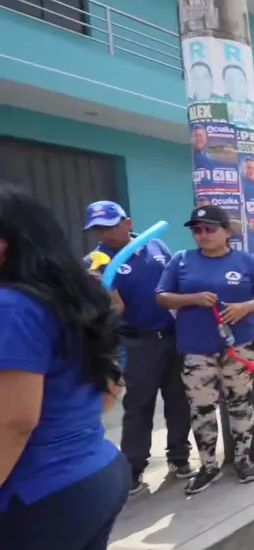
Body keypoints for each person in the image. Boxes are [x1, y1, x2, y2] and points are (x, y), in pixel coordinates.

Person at [0, 185, 131, 550]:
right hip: (92, 472)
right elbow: (110, 391)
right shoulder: (73, 298)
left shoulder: (11, 305)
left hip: (38, 490)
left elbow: (15, 421)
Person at [156, 205, 254, 495]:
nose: (203, 234)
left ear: (226, 231)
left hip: (239, 346)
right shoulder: (181, 260)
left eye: (210, 228)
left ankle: (243, 460)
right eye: (197, 230)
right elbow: (162, 297)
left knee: (240, 402)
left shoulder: (245, 261)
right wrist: (193, 298)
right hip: (196, 347)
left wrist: (244, 307)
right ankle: (209, 465)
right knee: (201, 407)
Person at [83, 201, 193, 494]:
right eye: (99, 228)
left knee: (179, 400)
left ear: (128, 223)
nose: (105, 233)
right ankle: (133, 468)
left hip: (173, 336)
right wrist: (101, 292)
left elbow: (173, 283)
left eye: (110, 225)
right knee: (139, 405)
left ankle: (179, 457)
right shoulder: (95, 262)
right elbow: (103, 310)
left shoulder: (155, 245)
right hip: (137, 341)